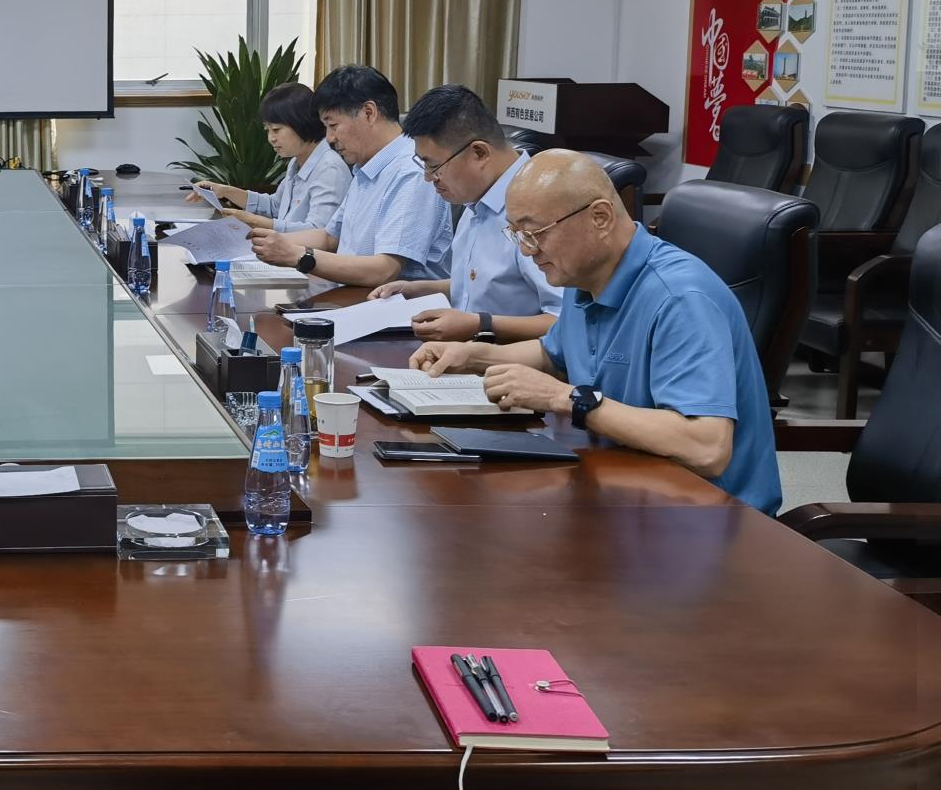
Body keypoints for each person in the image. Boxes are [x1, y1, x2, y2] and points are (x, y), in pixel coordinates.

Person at [412, 151, 781, 514]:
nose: (526, 251)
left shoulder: (680, 299)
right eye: (517, 234)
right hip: (625, 485)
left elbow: (706, 448)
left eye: (535, 233)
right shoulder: (585, 275)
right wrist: (472, 355)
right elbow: (554, 355)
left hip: (707, 516)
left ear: (600, 218)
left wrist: (566, 398)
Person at [368, 84, 560, 343]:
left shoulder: (541, 206)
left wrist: (480, 324)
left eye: (434, 166)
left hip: (511, 360)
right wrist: (417, 290)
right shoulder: (476, 198)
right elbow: (486, 286)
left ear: (479, 153)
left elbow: (563, 321)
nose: (428, 178)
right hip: (462, 351)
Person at [247, 64, 453, 288]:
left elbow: (383, 270)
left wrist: (298, 255)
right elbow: (330, 237)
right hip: (350, 296)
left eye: (333, 125)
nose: (329, 138)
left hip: (391, 306)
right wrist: (265, 243)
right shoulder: (366, 168)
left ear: (369, 113)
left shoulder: (410, 172)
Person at [187, 81, 349, 233]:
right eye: (268, 130)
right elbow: (275, 206)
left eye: (276, 130)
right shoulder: (297, 161)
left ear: (301, 122)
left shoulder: (329, 169)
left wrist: (253, 221)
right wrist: (224, 191)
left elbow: (318, 233)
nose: (271, 138)